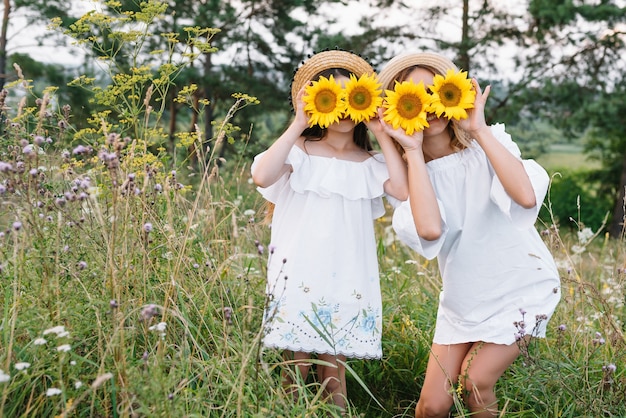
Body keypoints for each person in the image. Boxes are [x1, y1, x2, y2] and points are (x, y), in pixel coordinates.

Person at [376, 52, 561, 418]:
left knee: (475, 383)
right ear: (398, 107)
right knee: (432, 406)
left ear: (453, 93)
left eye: (435, 91)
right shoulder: (409, 174)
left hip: (521, 287)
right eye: (412, 98)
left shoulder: (488, 144)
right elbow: (430, 229)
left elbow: (524, 196)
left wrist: (478, 128)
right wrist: (411, 150)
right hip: (465, 296)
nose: (428, 105)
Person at [251, 49, 408, 411]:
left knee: (335, 369)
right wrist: (298, 123)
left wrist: (380, 131)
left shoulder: (370, 162)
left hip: (348, 271)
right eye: (331, 97)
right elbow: (261, 175)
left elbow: (401, 191)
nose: (342, 107)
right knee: (297, 365)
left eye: (350, 97)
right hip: (300, 268)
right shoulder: (300, 151)